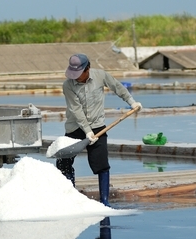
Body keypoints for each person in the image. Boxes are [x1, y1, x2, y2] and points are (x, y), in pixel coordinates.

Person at [58, 53, 143, 206]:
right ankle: (68, 199)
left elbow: (118, 87)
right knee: (64, 161)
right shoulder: (68, 85)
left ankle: (105, 201)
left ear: (87, 69)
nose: (76, 77)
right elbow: (76, 110)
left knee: (101, 164)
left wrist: (132, 102)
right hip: (75, 127)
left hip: (98, 127)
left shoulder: (100, 76)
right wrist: (87, 131)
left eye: (79, 74)